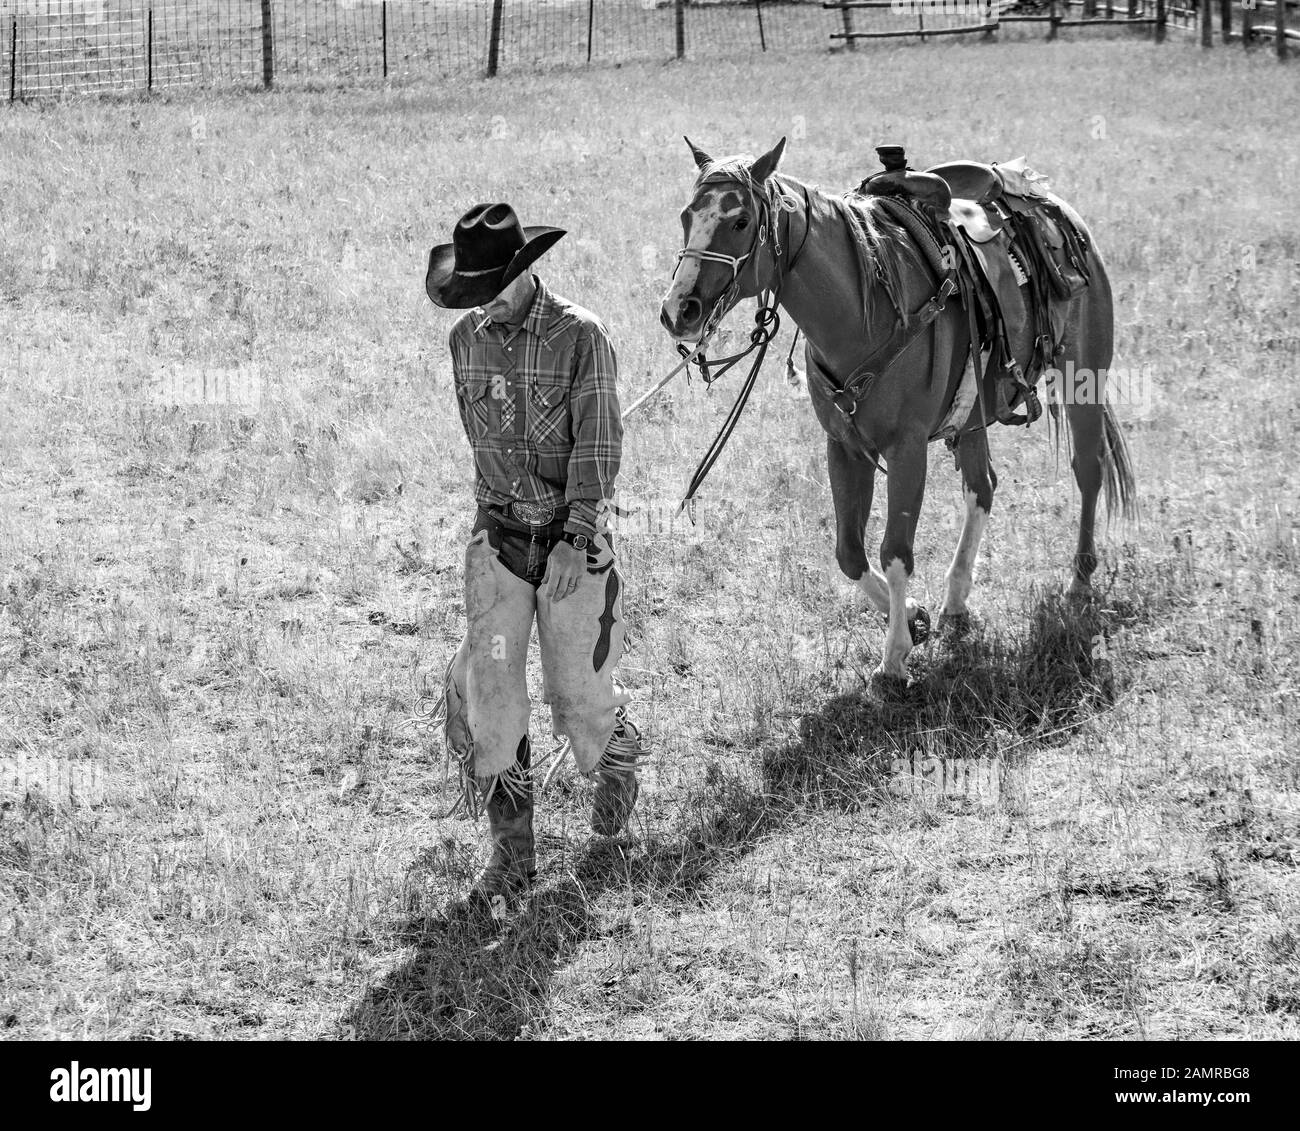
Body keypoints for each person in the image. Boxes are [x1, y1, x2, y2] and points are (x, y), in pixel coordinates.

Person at [425, 202, 648, 911]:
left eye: (495, 280)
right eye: (474, 285)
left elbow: (599, 443)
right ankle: (512, 854)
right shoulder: (465, 340)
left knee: (578, 693)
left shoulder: (581, 336)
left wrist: (575, 535)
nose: (483, 296)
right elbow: (477, 438)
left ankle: (613, 762)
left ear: (526, 271)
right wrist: (500, 525)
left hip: (569, 540)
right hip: (498, 538)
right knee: (493, 691)